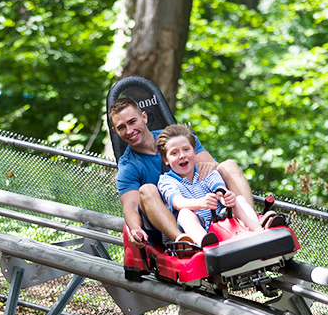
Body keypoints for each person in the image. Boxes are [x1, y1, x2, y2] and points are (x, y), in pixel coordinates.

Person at [108, 97, 258, 249]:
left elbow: (212, 167)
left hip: (205, 205)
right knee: (148, 190)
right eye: (121, 127)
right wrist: (135, 228)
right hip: (168, 219)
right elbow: (131, 206)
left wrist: (220, 187)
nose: (129, 131)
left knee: (229, 165)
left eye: (132, 122)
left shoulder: (176, 139)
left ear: (144, 117)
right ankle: (183, 241)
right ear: (115, 131)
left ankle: (253, 223)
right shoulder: (128, 166)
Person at [155, 124, 261, 248]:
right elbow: (178, 202)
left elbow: (220, 190)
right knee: (185, 214)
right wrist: (201, 203)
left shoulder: (206, 172)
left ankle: (259, 230)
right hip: (194, 229)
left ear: (194, 151)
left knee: (239, 199)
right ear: (165, 159)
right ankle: (206, 244)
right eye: (174, 153)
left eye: (186, 149)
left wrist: (226, 197)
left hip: (219, 221)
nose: (182, 155)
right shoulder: (166, 180)